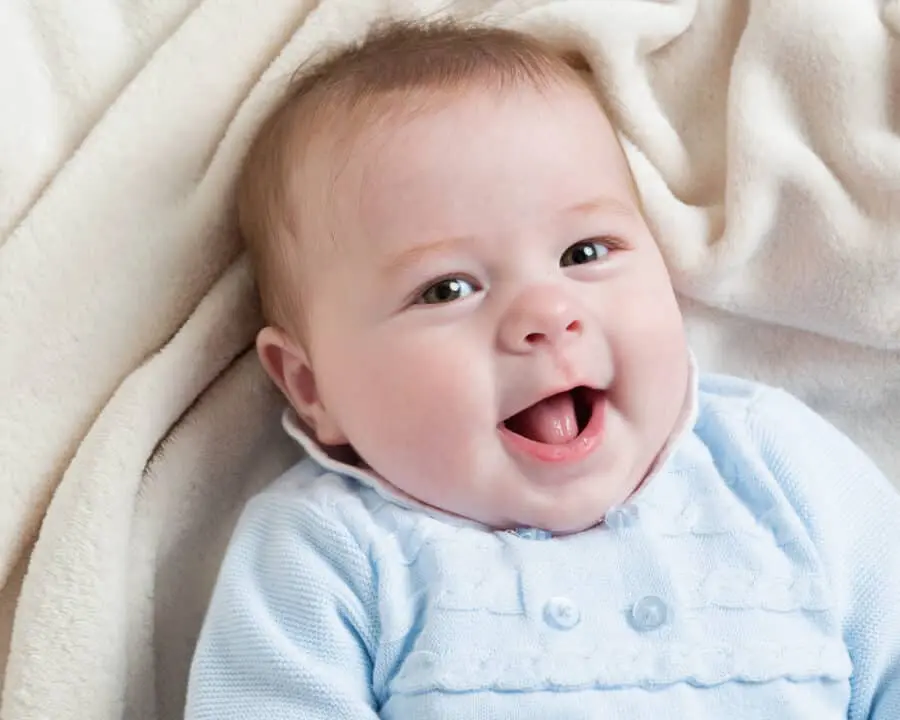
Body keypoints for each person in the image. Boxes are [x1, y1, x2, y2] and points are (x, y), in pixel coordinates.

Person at [185, 20, 900, 719]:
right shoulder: (328, 552)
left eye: (586, 252)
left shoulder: (772, 464)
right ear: (312, 387)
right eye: (446, 289)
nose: (547, 313)